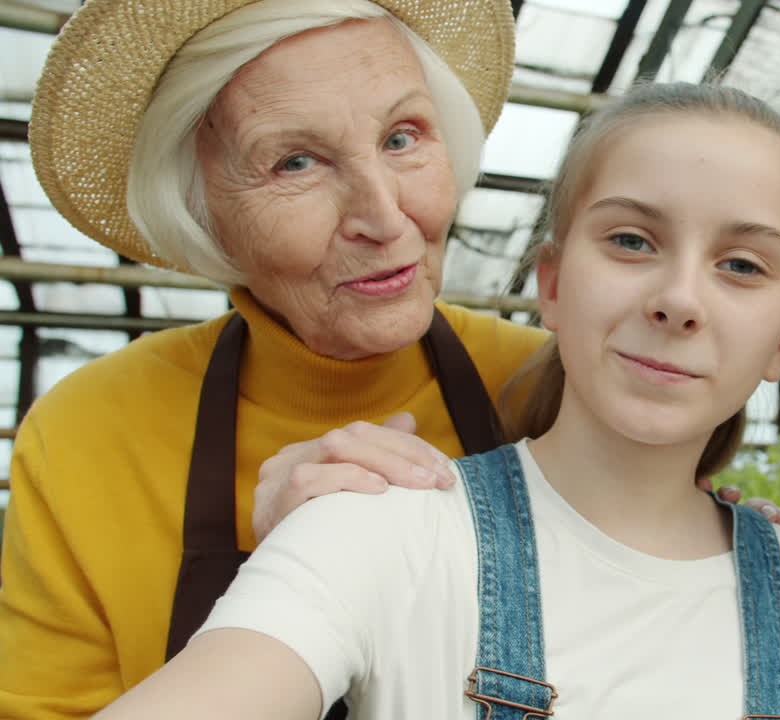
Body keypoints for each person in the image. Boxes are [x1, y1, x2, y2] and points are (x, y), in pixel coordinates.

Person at [91, 81, 780, 719]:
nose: (680, 299)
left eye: (741, 265)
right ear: (553, 285)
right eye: (632, 241)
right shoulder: (381, 533)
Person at [0, 2, 547, 717]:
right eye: (296, 161)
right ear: (200, 209)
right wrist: (289, 583)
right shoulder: (88, 432)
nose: (384, 218)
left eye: (402, 137)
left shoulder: (555, 386)